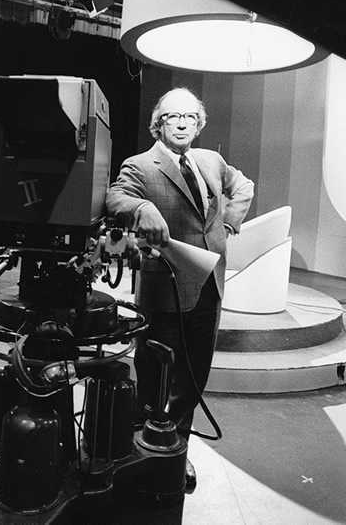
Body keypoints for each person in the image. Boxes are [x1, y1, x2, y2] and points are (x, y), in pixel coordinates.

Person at [105, 87, 254, 488]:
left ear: (199, 122)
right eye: (174, 117)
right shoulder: (140, 164)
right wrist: (141, 207)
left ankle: (175, 449)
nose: (184, 123)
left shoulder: (211, 160)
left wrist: (228, 224)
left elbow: (244, 187)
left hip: (210, 284)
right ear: (159, 122)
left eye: (191, 116)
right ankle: (140, 449)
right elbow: (114, 196)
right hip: (166, 290)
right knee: (155, 372)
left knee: (193, 373)